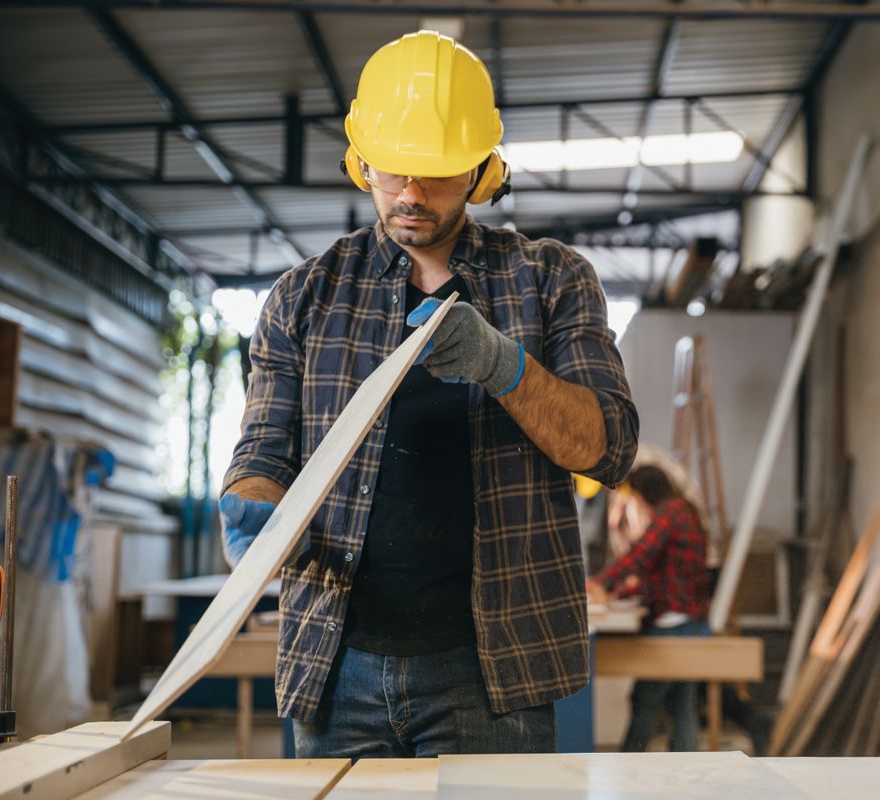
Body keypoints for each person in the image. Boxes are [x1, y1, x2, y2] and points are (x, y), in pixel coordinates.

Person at [218, 30, 638, 759]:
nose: (410, 194)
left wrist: (503, 365)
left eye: (437, 175)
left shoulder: (552, 279)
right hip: (334, 663)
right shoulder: (303, 296)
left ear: (480, 171)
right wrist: (254, 505)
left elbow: (607, 450)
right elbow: (262, 453)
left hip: (497, 671)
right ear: (361, 161)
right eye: (392, 172)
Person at [586, 465, 710, 752]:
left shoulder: (670, 513)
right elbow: (661, 575)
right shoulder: (684, 511)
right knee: (681, 705)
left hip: (673, 624)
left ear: (644, 492)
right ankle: (689, 777)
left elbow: (640, 557)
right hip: (688, 620)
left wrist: (598, 582)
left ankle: (630, 766)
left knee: (645, 700)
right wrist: (620, 590)